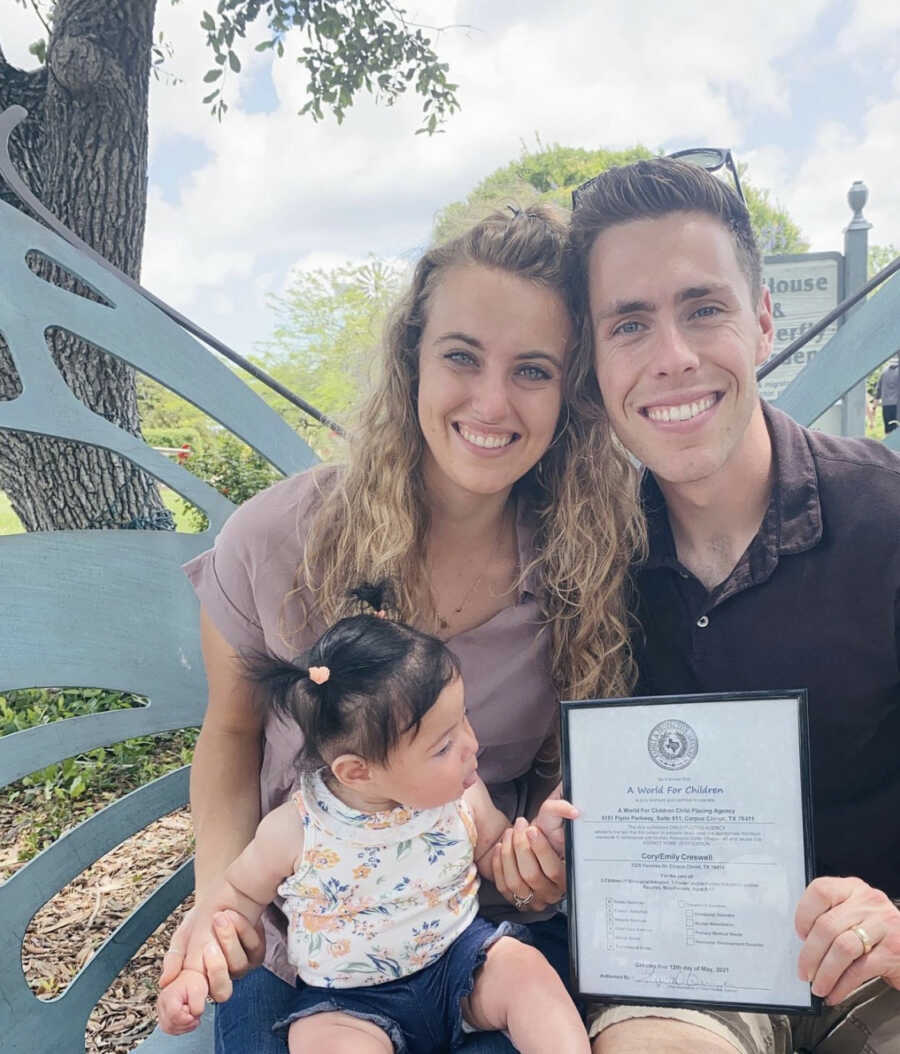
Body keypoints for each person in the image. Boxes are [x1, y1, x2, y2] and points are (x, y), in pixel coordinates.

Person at [157, 204, 645, 1054]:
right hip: (308, 961)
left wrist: (534, 872)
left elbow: (543, 802)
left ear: (571, 393)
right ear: (411, 357)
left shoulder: (584, 564)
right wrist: (219, 906)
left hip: (473, 940)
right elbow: (232, 730)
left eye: (532, 370)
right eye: (461, 356)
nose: (491, 402)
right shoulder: (284, 542)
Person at [563, 157, 900, 1054]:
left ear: (759, 323)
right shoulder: (586, 562)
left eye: (702, 309)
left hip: (880, 970)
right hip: (683, 972)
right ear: (594, 366)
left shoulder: (889, 518)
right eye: (629, 324)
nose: (671, 357)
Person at [158, 585, 588, 1052]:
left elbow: (493, 853)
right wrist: (196, 971)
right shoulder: (297, 830)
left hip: (460, 961)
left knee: (526, 971)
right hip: (348, 1003)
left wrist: (536, 842)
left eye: (464, 718)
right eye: (442, 746)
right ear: (357, 772)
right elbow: (236, 895)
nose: (471, 745)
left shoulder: (462, 794)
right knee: (319, 1041)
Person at [874, 354, 899, 434]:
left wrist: (874, 407)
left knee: (888, 431)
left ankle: (889, 446)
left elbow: (878, 391)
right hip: (897, 405)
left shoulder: (884, 372)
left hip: (886, 405)